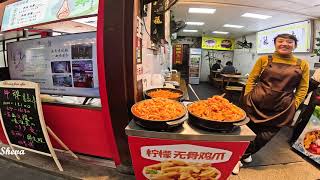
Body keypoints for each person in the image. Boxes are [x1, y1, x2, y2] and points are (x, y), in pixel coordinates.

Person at [232, 34, 310, 174]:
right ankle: (237, 158)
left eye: (289, 42)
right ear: (275, 44)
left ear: (295, 45)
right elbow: (252, 79)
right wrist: (247, 96)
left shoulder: (302, 64)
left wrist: (295, 104)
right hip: (255, 102)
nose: (284, 44)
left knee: (265, 136)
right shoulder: (264, 59)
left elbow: (303, 88)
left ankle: (243, 154)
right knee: (247, 131)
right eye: (280, 41)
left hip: (282, 107)